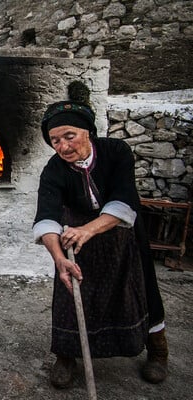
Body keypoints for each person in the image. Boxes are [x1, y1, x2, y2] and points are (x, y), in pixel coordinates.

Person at [33, 82, 168, 388]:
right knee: (70, 296)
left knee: (139, 290)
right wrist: (58, 258)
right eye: (55, 140)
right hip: (76, 242)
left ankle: (158, 350)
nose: (64, 146)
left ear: (87, 133)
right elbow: (46, 219)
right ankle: (66, 355)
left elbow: (124, 200)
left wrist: (89, 229)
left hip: (120, 234)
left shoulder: (116, 152)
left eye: (70, 136)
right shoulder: (54, 170)